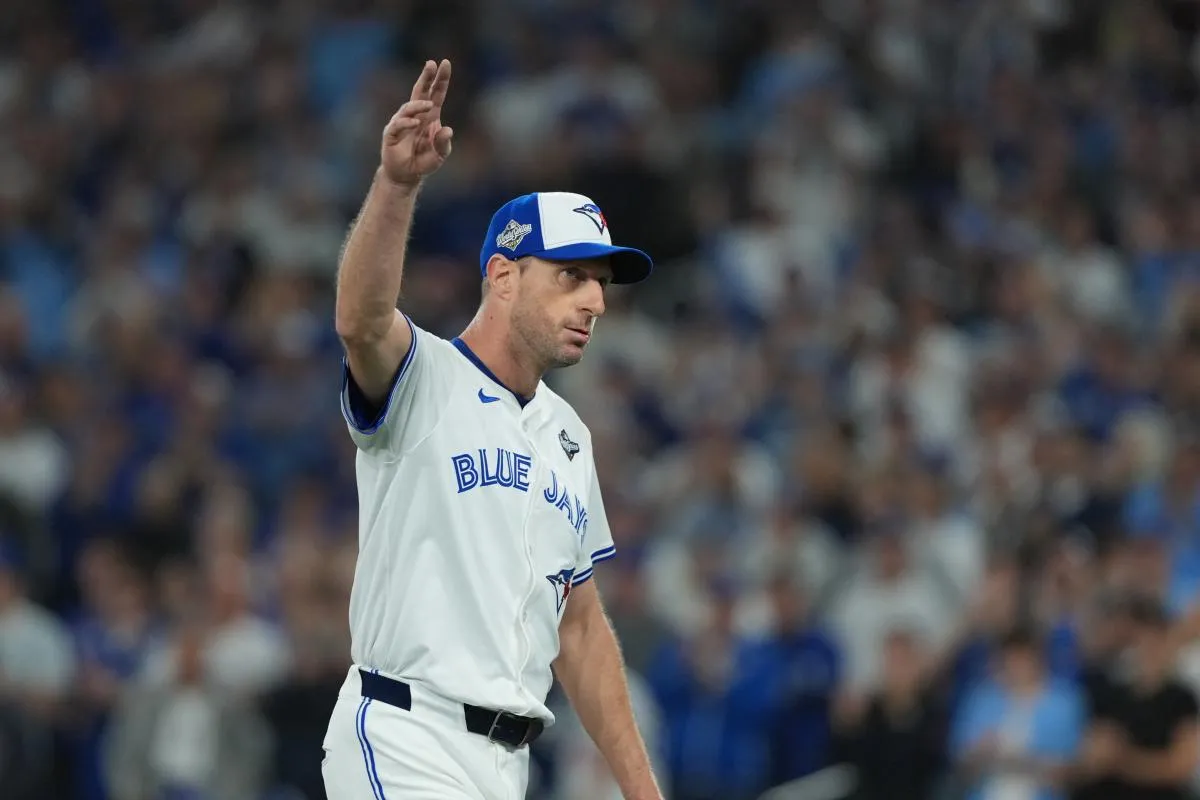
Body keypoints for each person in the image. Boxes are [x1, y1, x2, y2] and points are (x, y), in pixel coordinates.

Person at [321, 59, 663, 800]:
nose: (594, 302)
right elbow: (359, 321)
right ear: (503, 276)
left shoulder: (569, 436)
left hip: (507, 766)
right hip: (407, 734)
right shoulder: (426, 378)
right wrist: (397, 186)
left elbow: (577, 628)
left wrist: (644, 792)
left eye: (601, 284)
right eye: (570, 276)